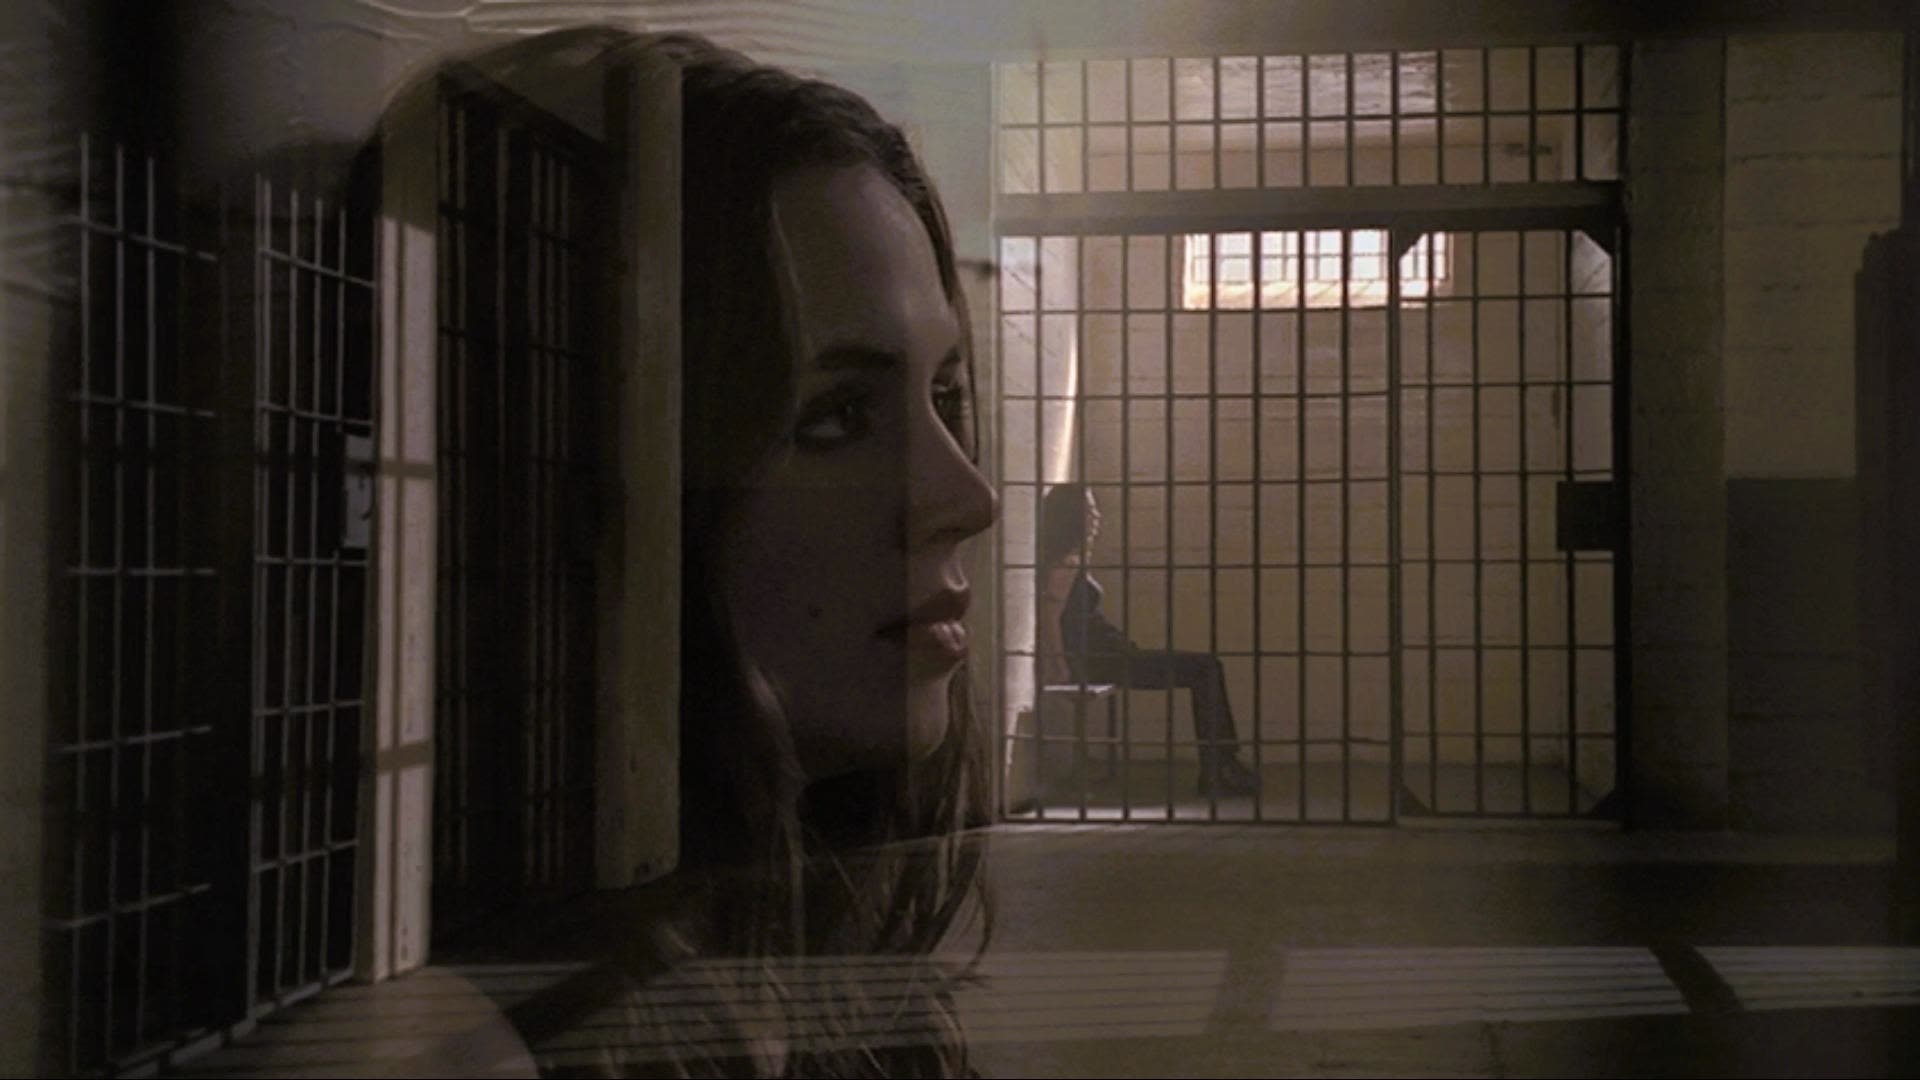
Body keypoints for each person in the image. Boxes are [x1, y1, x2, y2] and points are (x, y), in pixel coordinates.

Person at [375, 27, 999, 1078]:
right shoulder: (469, 1050)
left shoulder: (815, 972)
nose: (967, 499)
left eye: (946, 396)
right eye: (837, 417)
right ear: (574, 482)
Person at [1036, 483, 1259, 798]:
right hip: (1104, 659)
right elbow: (1049, 616)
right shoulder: (1067, 562)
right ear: (1072, 515)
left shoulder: (1070, 559)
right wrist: (1060, 665)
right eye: (1088, 510)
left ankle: (1221, 765)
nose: (1097, 516)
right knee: (1206, 668)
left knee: (1207, 668)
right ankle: (1220, 767)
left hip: (1108, 654)